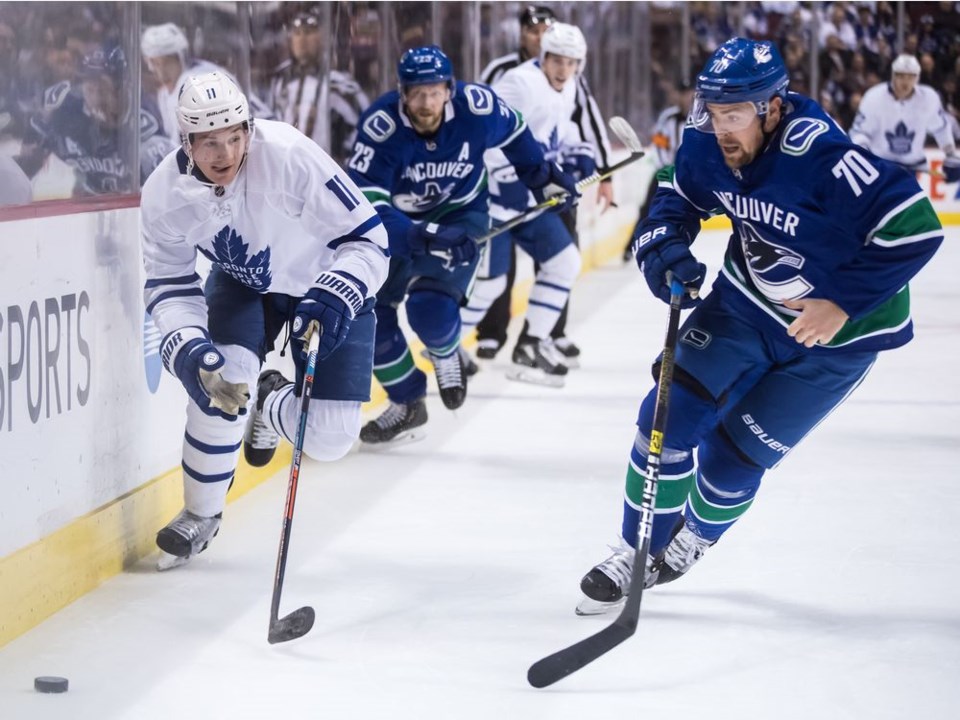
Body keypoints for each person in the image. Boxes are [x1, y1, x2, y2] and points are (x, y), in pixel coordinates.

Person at [577, 38, 943, 615]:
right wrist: (664, 248)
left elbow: (917, 228)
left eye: (736, 114)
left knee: (732, 457)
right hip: (746, 305)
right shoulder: (708, 142)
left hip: (840, 338)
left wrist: (841, 304)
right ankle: (637, 548)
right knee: (666, 415)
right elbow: (677, 196)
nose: (722, 128)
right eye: (715, 111)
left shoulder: (819, 156)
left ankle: (695, 537)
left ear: (773, 108)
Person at [141, 71, 388, 568]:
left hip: (324, 286)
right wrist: (187, 346)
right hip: (245, 280)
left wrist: (339, 293)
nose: (226, 153)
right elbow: (168, 284)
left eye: (235, 136)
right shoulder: (164, 194)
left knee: (331, 439)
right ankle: (201, 514)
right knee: (219, 382)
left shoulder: (290, 155)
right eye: (209, 142)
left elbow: (370, 240)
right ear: (185, 141)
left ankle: (271, 397)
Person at [346, 45, 579, 444]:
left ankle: (445, 350)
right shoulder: (379, 128)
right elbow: (370, 206)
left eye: (435, 91)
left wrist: (542, 177)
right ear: (402, 92)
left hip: (459, 213)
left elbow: (517, 133)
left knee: (429, 310)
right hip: (397, 225)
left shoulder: (478, 108)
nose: (426, 102)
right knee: (369, 317)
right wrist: (421, 235)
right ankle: (408, 402)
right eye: (417, 92)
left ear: (449, 89)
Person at [473, 5, 614, 364]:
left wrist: (581, 155)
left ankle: (530, 344)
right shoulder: (517, 84)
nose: (564, 69)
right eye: (557, 60)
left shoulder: (566, 85)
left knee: (565, 262)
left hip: (529, 197)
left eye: (571, 62)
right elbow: (487, 141)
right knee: (491, 283)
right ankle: (448, 349)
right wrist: (532, 182)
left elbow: (561, 128)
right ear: (542, 55)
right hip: (498, 198)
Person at [17, 45, 134, 196]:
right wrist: (45, 119)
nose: (96, 98)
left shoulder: (143, 122)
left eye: (103, 89)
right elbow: (27, 159)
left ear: (122, 87)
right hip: (85, 206)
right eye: (90, 89)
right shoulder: (66, 109)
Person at [268, 6, 370, 166]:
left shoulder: (341, 85)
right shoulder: (280, 80)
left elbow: (362, 130)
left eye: (309, 32)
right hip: (287, 169)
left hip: (328, 171)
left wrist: (343, 163)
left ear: (323, 37)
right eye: (297, 33)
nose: (302, 40)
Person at [141, 22, 271, 145]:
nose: (152, 69)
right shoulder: (165, 93)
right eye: (149, 63)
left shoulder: (198, 82)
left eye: (158, 62)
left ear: (178, 57)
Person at [849, 53, 960, 179]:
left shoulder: (929, 98)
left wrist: (950, 154)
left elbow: (940, 128)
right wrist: (863, 157)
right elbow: (859, 132)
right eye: (901, 76)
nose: (905, 82)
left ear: (917, 78)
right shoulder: (873, 97)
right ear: (893, 76)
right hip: (881, 167)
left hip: (914, 168)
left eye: (910, 76)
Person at [622, 75, 696, 262]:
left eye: (691, 93)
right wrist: (669, 168)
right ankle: (632, 246)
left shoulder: (701, 118)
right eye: (684, 93)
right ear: (678, 95)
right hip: (666, 173)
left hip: (692, 176)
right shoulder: (667, 118)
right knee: (647, 209)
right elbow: (659, 144)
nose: (688, 97)